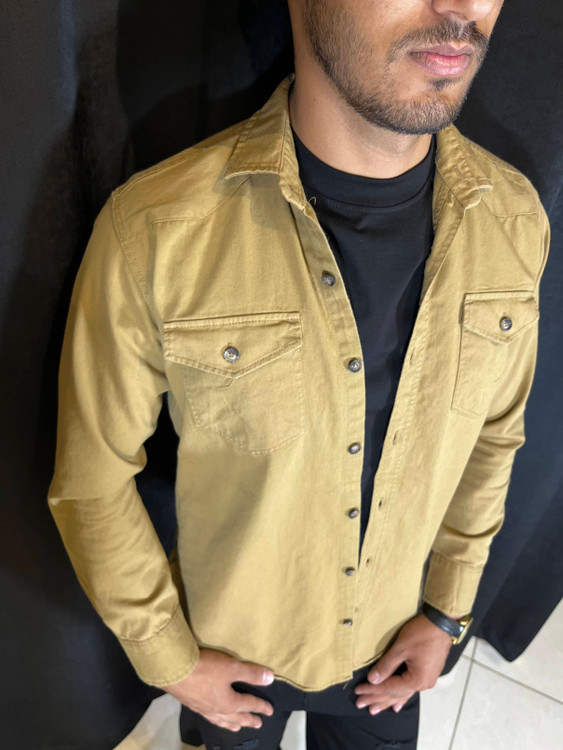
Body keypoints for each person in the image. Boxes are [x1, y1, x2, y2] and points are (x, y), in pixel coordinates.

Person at [48, 1, 550, 748]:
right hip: (235, 654)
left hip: (391, 649)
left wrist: (447, 611)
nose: (461, 8)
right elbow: (92, 481)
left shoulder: (514, 219)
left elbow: (494, 438)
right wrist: (170, 660)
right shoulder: (154, 232)